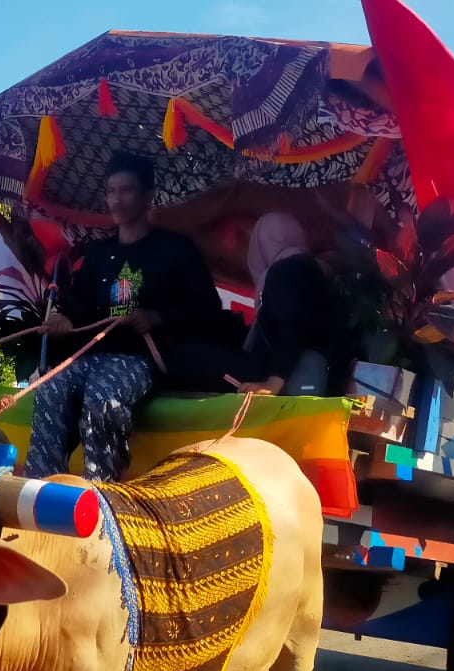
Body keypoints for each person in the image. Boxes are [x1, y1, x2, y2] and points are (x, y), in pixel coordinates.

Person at [26, 150, 219, 481]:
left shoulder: (175, 250)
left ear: (148, 197)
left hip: (143, 360)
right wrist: (62, 322)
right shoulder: (99, 255)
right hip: (94, 356)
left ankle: (102, 494)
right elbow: (82, 312)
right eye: (111, 191)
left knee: (101, 395)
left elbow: (207, 309)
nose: (117, 199)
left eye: (126, 190)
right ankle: (40, 489)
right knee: (50, 387)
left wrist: (157, 317)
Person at [235, 212, 340, 396]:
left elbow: (290, 320)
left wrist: (275, 380)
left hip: (297, 372)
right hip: (316, 368)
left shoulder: (284, 270)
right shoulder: (314, 269)